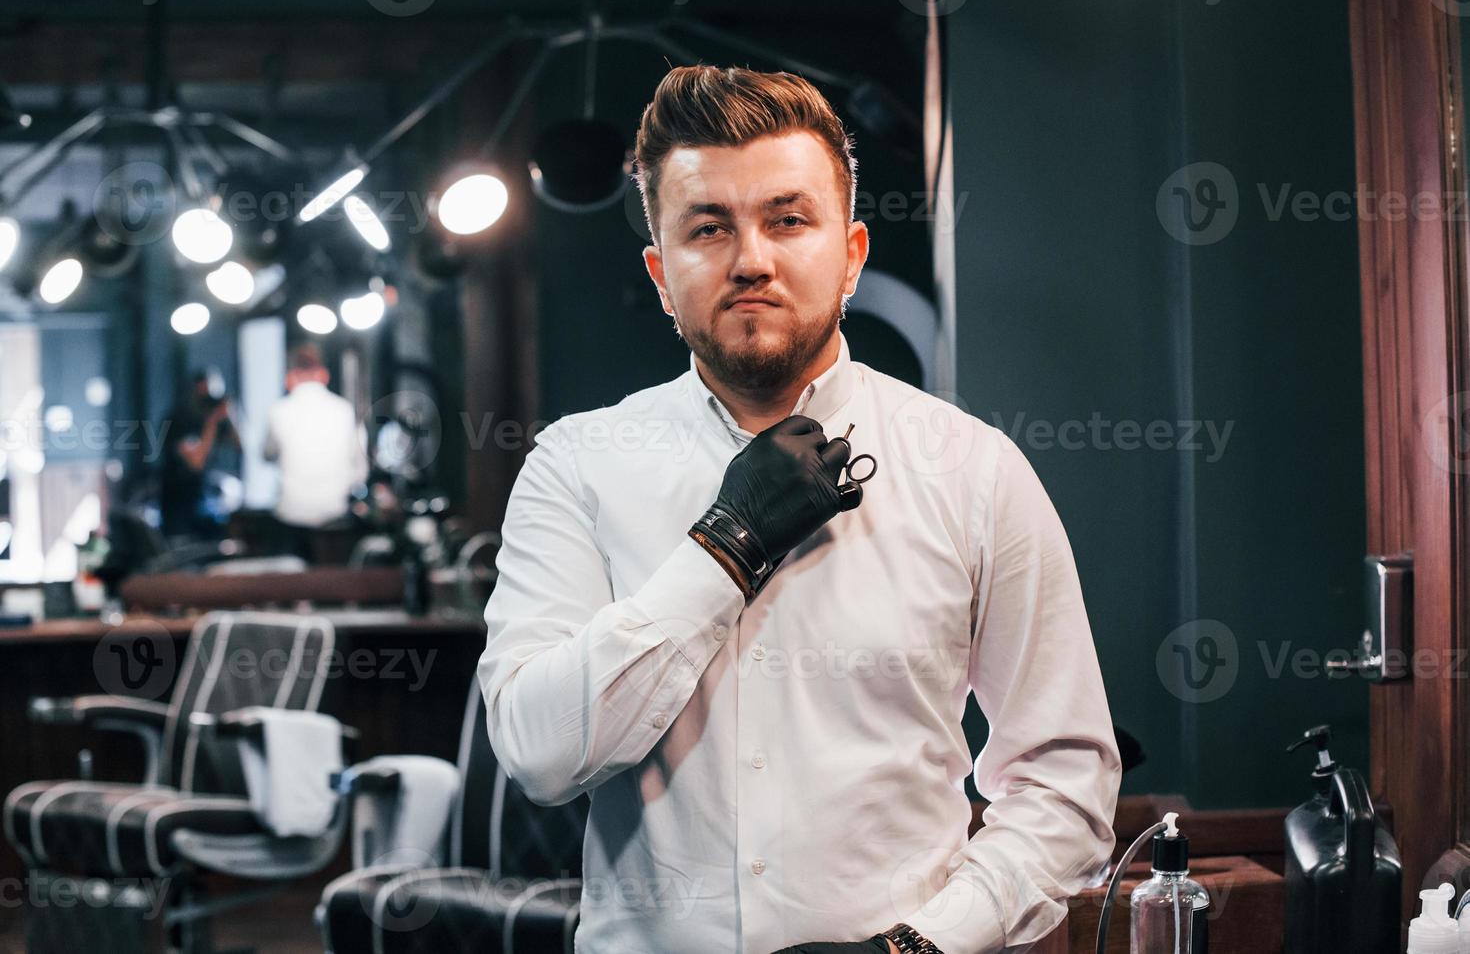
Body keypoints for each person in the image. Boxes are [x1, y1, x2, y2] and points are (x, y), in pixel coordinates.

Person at [478, 66, 1121, 954]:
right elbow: (538, 752)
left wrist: (921, 947)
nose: (751, 259)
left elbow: (1063, 782)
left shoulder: (974, 470)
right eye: (709, 228)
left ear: (851, 252)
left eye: (788, 218)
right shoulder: (577, 467)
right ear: (661, 274)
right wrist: (724, 549)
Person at [262, 343, 368, 558]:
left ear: (290, 377)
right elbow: (361, 469)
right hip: (336, 514)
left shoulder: (278, 411)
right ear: (323, 374)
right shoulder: (344, 410)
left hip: (291, 514)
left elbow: (266, 454)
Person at [159, 367, 239, 538]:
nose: (207, 402)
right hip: (179, 507)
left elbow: (241, 446)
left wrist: (229, 415)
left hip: (206, 506)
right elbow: (196, 462)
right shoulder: (178, 420)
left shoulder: (217, 420)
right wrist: (211, 422)